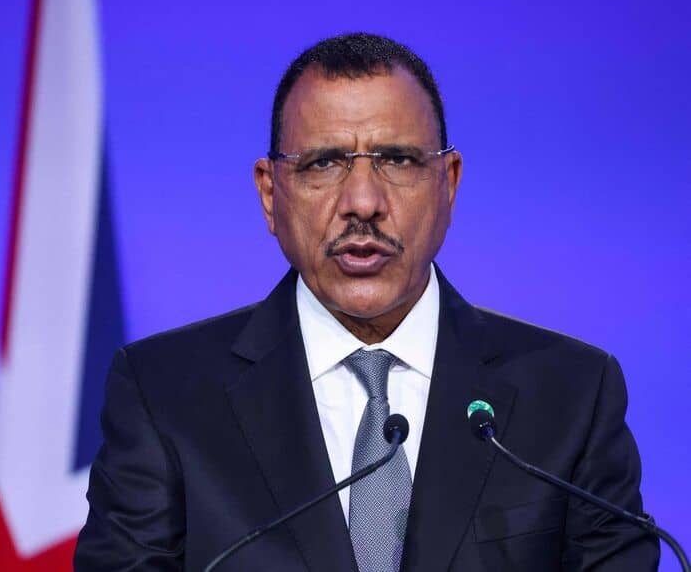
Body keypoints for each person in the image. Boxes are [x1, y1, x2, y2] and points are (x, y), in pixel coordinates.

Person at [75, 33, 659, 571]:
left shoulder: (572, 395)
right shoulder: (163, 394)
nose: (362, 201)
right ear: (271, 194)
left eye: (398, 160)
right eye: (323, 162)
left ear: (449, 183)